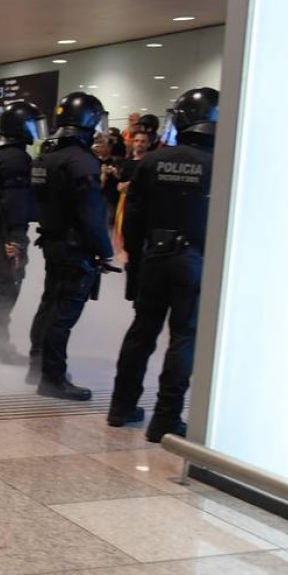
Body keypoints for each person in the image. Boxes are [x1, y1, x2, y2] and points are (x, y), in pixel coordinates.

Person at [107, 89, 217, 442]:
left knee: (142, 333)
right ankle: (166, 419)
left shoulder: (153, 162)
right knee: (184, 337)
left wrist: (136, 263)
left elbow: (133, 218)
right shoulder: (221, 164)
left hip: (154, 256)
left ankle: (120, 408)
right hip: (195, 259)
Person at [26, 92, 116, 400]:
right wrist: (105, 250)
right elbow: (91, 214)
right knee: (62, 316)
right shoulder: (82, 162)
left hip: (52, 241)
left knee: (49, 305)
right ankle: (52, 378)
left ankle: (37, 367)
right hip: (74, 248)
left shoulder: (45, 158)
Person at [0, 102, 46, 363]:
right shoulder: (16, 158)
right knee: (7, 284)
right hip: (9, 231)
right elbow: (14, 202)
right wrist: (13, 240)